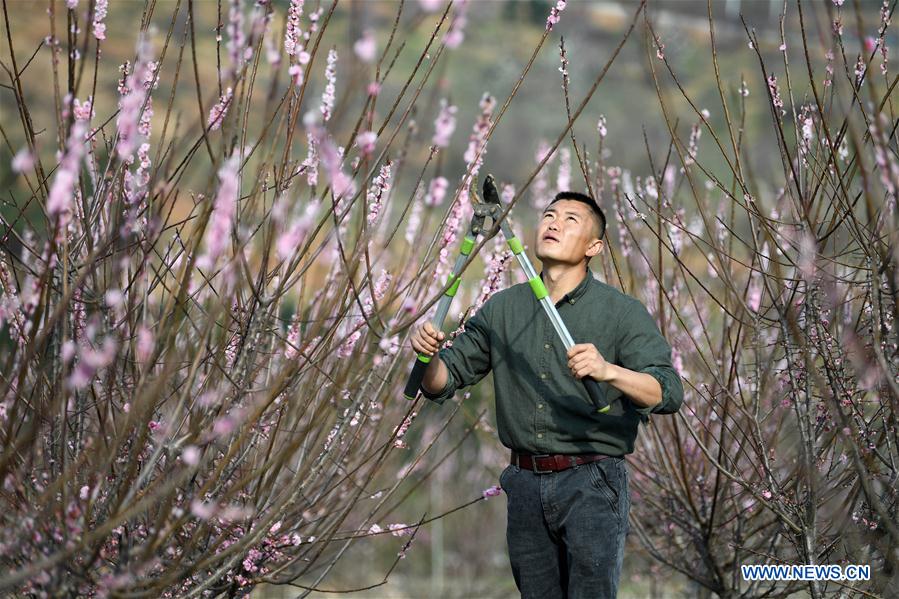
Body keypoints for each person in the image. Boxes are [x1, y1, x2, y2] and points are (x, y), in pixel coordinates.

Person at [410, 190, 684, 599]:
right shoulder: (502, 309)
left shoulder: (621, 312)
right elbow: (441, 383)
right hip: (523, 481)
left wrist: (608, 370)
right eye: (549, 215)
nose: (554, 223)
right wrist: (429, 356)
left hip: (592, 480)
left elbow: (669, 391)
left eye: (571, 219)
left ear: (594, 246)